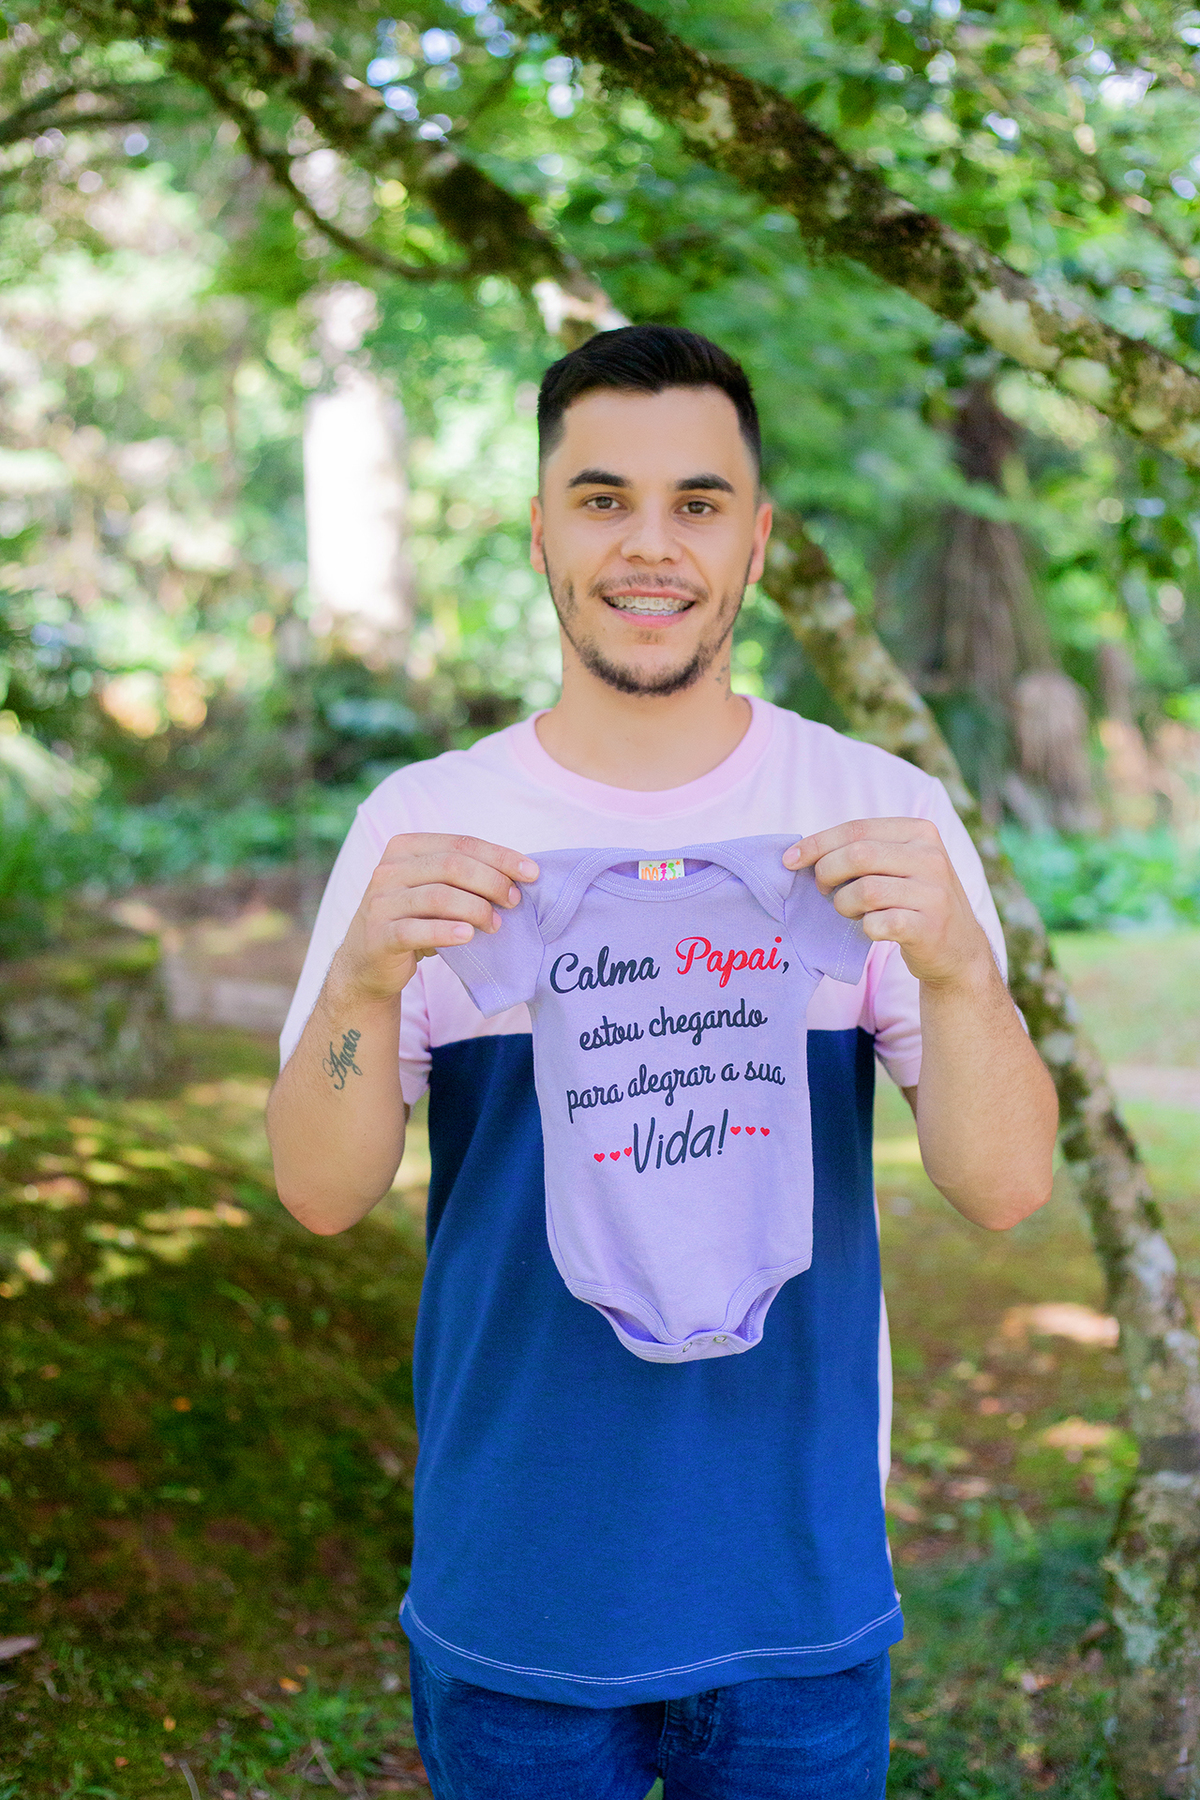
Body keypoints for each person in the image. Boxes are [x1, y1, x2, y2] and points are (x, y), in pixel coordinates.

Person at [269, 325, 1058, 1800]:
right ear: (541, 531)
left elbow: (1008, 1190)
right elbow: (318, 1193)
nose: (650, 545)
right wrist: (367, 975)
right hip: (517, 1592)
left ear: (755, 541)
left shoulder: (872, 809)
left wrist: (958, 968)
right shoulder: (423, 827)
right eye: (603, 499)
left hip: (797, 1598)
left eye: (698, 503)